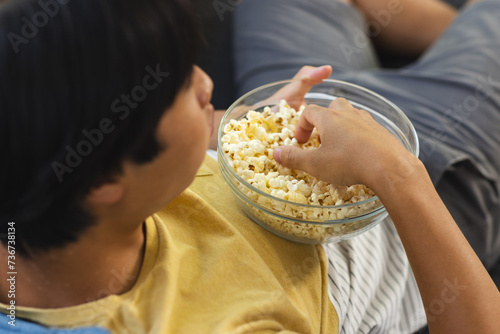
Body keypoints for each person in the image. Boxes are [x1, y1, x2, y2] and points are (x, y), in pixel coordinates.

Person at [0, 1, 498, 334]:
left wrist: (246, 124)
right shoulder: (226, 322)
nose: (206, 84)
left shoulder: (35, 189)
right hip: (428, 196)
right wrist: (395, 170)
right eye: (178, 89)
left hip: (302, 118)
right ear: (104, 180)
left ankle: (445, 42)